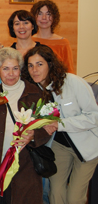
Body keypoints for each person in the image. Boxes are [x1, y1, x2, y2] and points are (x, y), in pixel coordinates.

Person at [22, 45, 98, 204]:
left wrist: (59, 124)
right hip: (59, 146)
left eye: (39, 64)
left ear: (50, 64)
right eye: (30, 65)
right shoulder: (33, 90)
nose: (34, 69)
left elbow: (94, 117)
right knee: (55, 194)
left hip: (87, 147)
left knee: (74, 198)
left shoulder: (73, 82)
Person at [0, 47, 51, 204]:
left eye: (15, 68)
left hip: (26, 165)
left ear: (20, 70)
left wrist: (33, 136)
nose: (11, 74)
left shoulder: (35, 94)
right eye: (6, 69)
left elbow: (48, 127)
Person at [30, 0, 75, 73]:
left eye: (48, 14)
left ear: (54, 17)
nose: (44, 17)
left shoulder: (63, 43)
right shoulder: (29, 40)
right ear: (34, 17)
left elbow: (69, 71)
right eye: (40, 14)